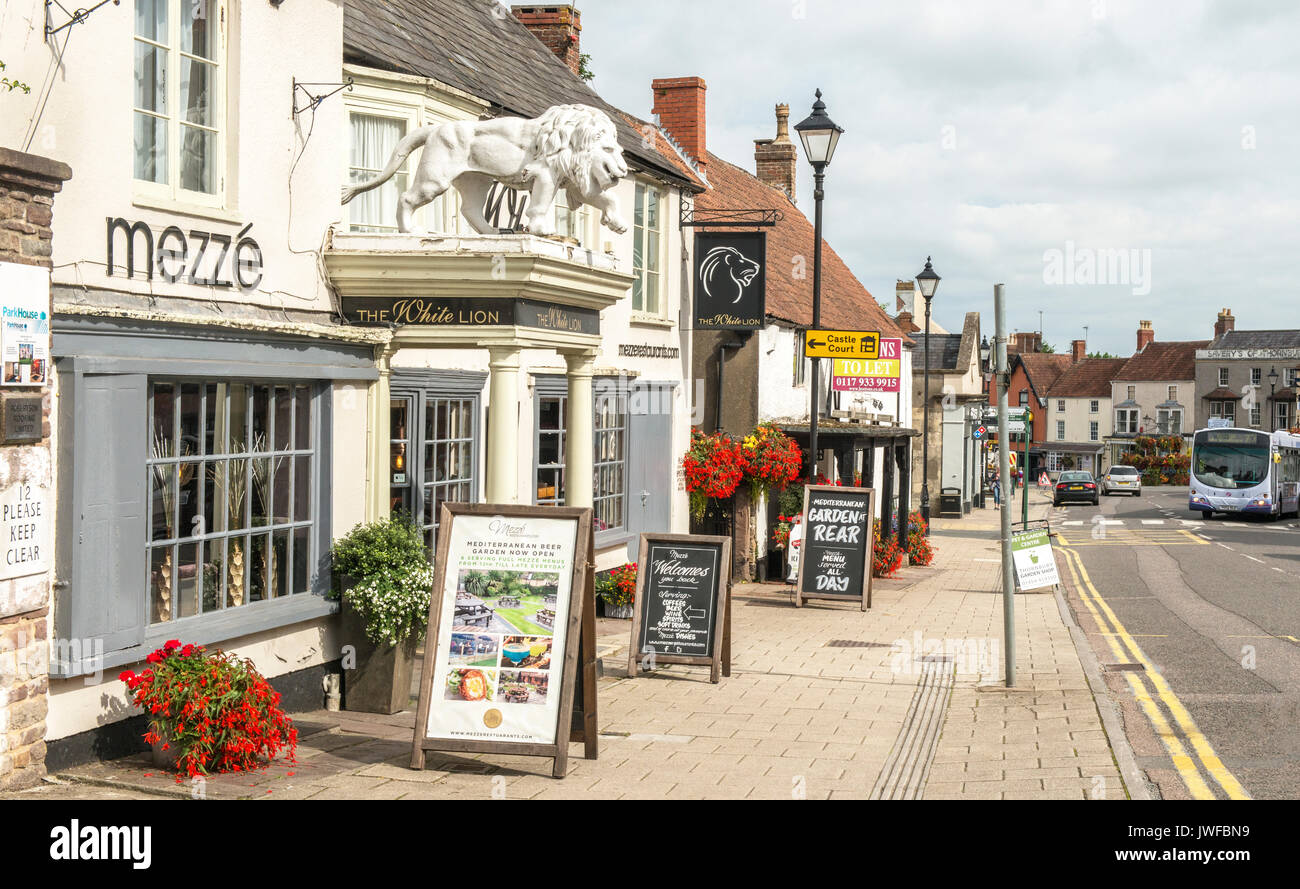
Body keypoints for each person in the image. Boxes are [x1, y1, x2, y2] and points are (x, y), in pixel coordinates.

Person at [785, 514, 804, 584]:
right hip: (793, 552)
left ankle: (796, 577)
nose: (798, 521)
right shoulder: (793, 528)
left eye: (799, 520)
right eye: (797, 520)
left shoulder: (801, 529)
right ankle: (791, 577)